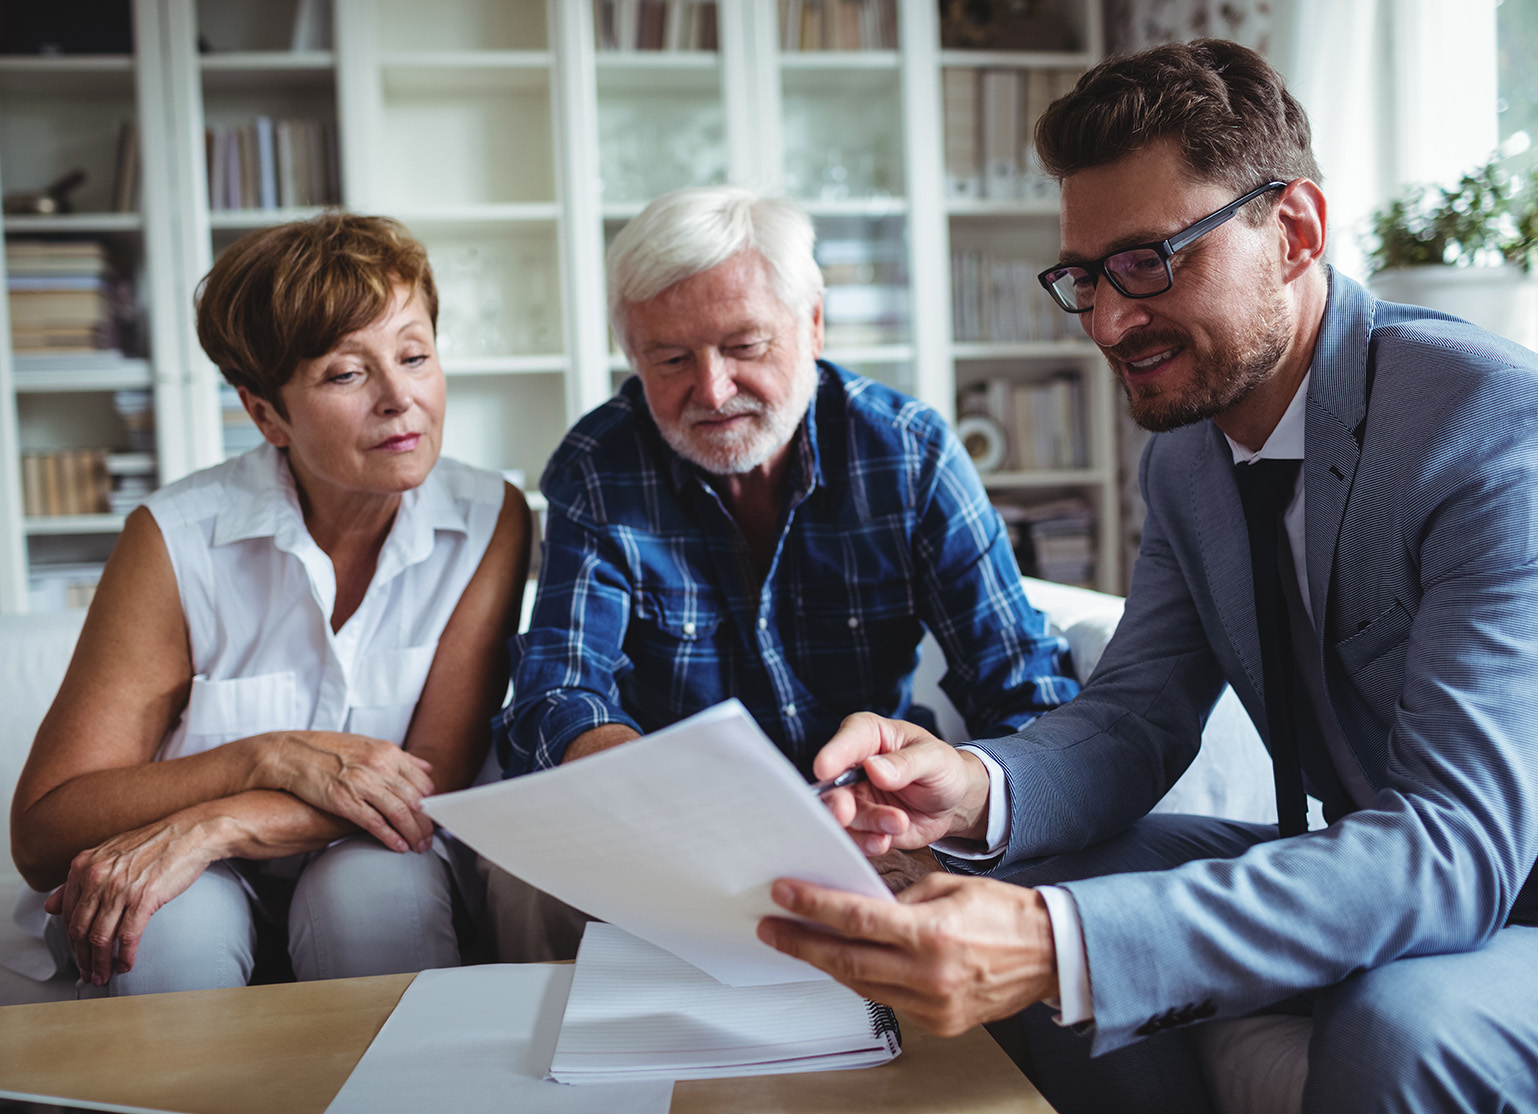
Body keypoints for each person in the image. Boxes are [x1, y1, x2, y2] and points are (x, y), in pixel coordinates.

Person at [756, 39, 1538, 1114]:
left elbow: (1454, 848)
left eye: (1151, 260)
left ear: (1292, 231)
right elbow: (1132, 720)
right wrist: (970, 788)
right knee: (1009, 877)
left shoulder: (1493, 429)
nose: (1109, 322)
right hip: (1375, 862)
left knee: (1402, 1030)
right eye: (1086, 277)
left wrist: (1063, 948)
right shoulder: (1190, 460)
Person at [490, 185, 1078, 958]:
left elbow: (1026, 688)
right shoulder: (600, 465)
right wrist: (634, 777)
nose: (711, 389)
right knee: (534, 883)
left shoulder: (911, 453)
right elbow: (558, 689)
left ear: (812, 325)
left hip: (867, 823)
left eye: (742, 346)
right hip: (669, 832)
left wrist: (949, 807)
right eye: (670, 359)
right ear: (632, 358)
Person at [9, 212, 532, 996]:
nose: (401, 399)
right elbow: (47, 831)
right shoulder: (174, 538)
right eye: (345, 374)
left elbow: (432, 784)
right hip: (196, 879)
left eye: (415, 355)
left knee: (373, 893)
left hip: (373, 854)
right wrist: (265, 757)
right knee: (168, 930)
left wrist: (217, 821)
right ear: (266, 415)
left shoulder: (492, 518)